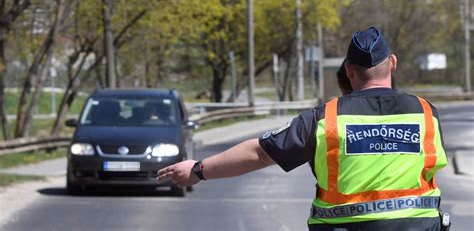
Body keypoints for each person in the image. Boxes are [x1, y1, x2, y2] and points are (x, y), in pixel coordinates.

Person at [158, 27, 448, 231]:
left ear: (348, 70)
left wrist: (197, 170)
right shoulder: (425, 113)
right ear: (393, 63)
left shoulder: (325, 118)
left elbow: (260, 153)